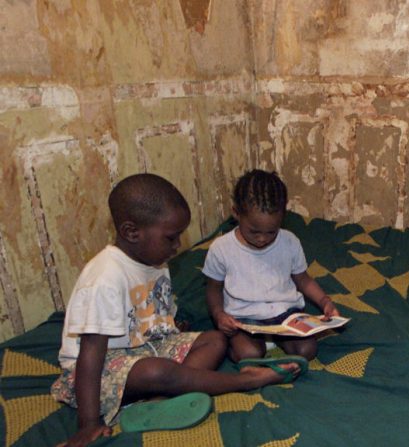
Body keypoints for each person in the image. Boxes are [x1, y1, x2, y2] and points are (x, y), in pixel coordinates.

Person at [51, 173, 301, 447]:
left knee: (215, 339)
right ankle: (244, 381)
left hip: (146, 348)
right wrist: (88, 425)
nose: (178, 246)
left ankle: (158, 403)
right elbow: (90, 352)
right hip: (94, 371)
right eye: (171, 238)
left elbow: (152, 313)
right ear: (131, 232)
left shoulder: (153, 261)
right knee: (157, 372)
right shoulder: (105, 277)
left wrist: (170, 329)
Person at [203, 169, 340, 363]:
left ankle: (276, 341)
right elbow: (213, 289)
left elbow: (303, 279)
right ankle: (241, 345)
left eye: (271, 232)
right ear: (236, 213)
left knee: (307, 349)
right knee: (248, 354)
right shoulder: (221, 248)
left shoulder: (290, 241)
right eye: (254, 231)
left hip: (285, 314)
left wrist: (325, 302)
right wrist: (219, 315)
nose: (262, 239)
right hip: (244, 319)